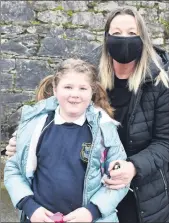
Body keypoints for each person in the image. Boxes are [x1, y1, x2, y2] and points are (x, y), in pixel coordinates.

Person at [5, 6, 169, 223]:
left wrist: (133, 167)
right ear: (106, 37)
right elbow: (55, 107)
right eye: (116, 33)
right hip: (87, 186)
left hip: (142, 192)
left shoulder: (160, 82)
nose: (124, 39)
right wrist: (22, 140)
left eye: (132, 33)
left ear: (143, 38)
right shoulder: (88, 73)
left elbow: (165, 142)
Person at [4, 58, 128, 223]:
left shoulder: (105, 130)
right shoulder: (34, 126)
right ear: (55, 89)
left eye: (83, 88)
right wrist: (30, 207)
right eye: (68, 87)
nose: (75, 94)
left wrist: (93, 211)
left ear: (92, 92)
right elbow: (13, 170)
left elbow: (120, 180)